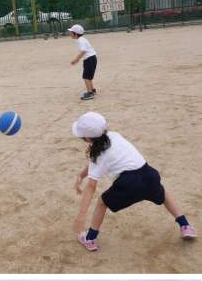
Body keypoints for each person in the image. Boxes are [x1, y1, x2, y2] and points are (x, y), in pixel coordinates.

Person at [72, 112, 198, 251]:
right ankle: (185, 225)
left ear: (87, 138)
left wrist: (81, 216)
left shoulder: (97, 153)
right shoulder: (114, 135)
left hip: (129, 183)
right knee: (163, 193)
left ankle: (90, 238)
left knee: (102, 202)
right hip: (149, 175)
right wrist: (82, 174)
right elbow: (95, 164)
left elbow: (91, 186)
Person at [68, 24, 97, 101]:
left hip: (89, 59)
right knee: (89, 76)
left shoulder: (81, 41)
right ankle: (92, 90)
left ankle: (89, 93)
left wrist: (76, 60)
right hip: (91, 58)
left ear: (76, 34)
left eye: (71, 32)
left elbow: (83, 51)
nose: (70, 34)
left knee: (86, 77)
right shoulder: (81, 39)